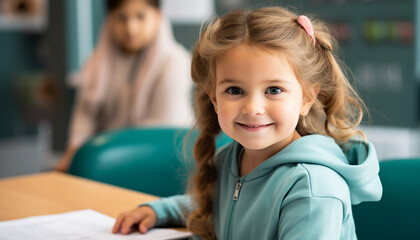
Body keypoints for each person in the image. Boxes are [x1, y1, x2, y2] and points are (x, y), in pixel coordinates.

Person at [112, 6, 382, 239]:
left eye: (274, 90)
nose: (252, 108)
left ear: (307, 98)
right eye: (234, 90)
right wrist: (158, 211)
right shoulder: (233, 157)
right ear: (214, 98)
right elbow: (213, 204)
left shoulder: (312, 189)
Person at [55, 0, 193, 171]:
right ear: (109, 20)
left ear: (158, 17)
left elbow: (163, 128)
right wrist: (72, 153)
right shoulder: (95, 63)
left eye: (140, 16)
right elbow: (85, 114)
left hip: (157, 165)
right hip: (107, 163)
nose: (131, 28)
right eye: (121, 18)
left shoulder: (175, 61)